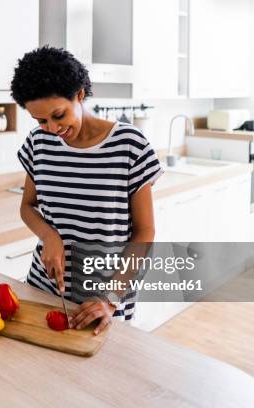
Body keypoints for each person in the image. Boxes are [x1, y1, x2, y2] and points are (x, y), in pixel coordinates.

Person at [10, 46, 163, 334]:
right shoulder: (38, 143)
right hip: (44, 288)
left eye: (58, 115)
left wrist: (111, 300)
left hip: (103, 301)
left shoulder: (130, 145)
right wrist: (48, 234)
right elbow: (27, 206)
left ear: (79, 94)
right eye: (41, 120)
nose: (52, 128)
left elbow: (145, 233)